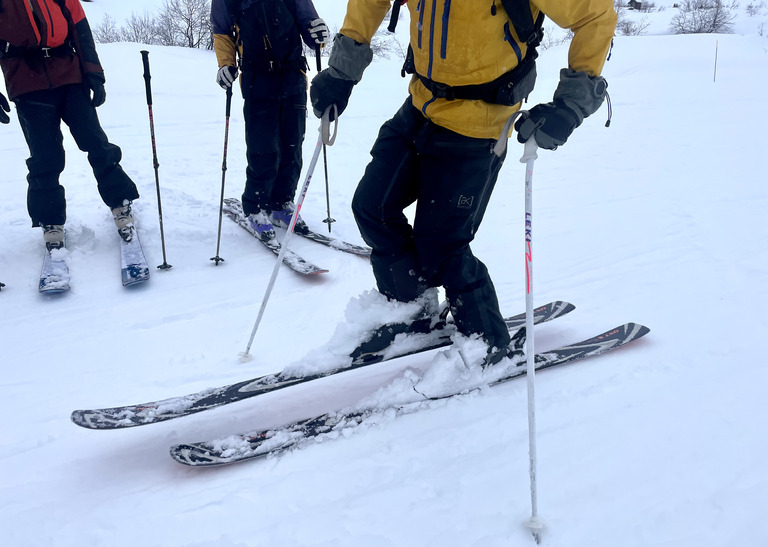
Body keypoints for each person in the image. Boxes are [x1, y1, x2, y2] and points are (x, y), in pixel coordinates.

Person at [310, 0, 617, 365]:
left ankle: (488, 344)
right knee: (372, 206)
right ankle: (411, 310)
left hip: (482, 121)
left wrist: (570, 105)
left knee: (442, 245)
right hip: (421, 103)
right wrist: (342, 72)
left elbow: (595, 15)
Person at [0, 0, 140, 252]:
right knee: (45, 157)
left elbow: (80, 31)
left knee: (96, 143)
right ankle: (51, 221)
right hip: (27, 84)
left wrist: (94, 74)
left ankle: (121, 202)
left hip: (70, 76)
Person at [211, 0, 329, 242]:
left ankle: (281, 202)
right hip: (257, 79)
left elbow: (309, 23)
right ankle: (256, 206)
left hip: (293, 76)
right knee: (262, 147)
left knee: (293, 145)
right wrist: (226, 64)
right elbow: (222, 31)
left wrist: (318, 33)